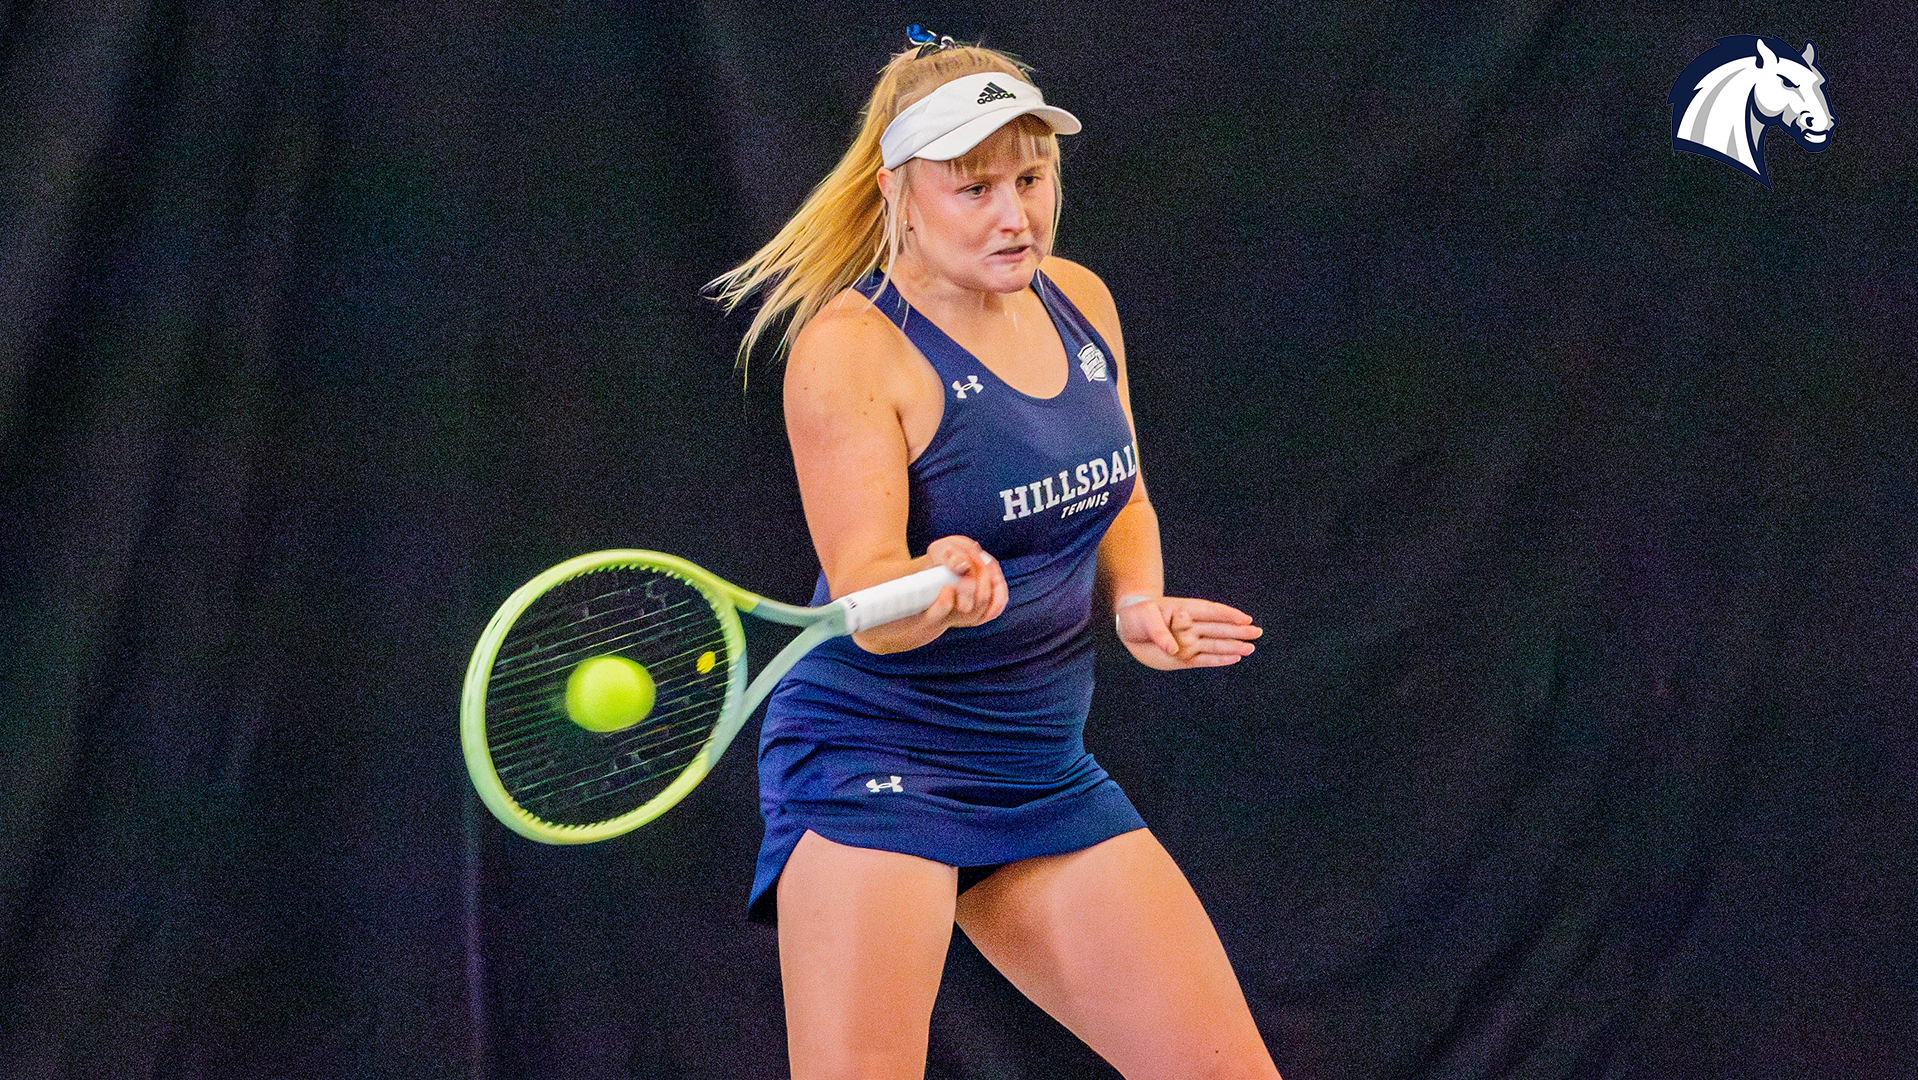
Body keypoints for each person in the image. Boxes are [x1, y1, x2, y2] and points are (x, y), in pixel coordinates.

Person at [710, 30, 1279, 1080]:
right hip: (874, 761)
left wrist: (1138, 604)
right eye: (973, 189)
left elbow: (1119, 493)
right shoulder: (849, 353)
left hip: (1039, 771)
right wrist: (937, 592)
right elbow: (870, 590)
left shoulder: (1079, 300)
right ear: (899, 193)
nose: (1014, 214)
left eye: (1030, 176)